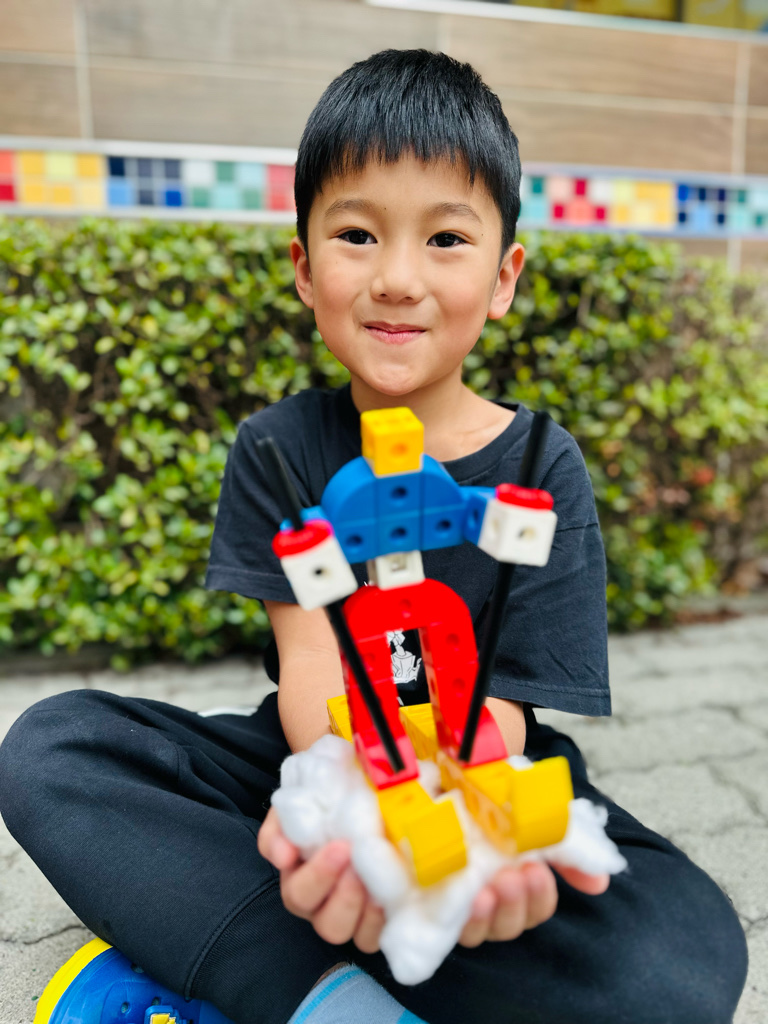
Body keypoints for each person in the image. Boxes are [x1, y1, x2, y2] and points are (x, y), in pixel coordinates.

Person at [0, 48, 748, 1024]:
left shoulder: (540, 469)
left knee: (687, 955)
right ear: (305, 268)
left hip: (482, 764)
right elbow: (312, 659)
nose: (398, 278)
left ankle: (241, 947)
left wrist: (443, 820)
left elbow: (509, 706)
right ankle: (333, 998)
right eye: (357, 234)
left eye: (446, 238)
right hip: (324, 751)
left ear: (504, 276)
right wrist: (359, 805)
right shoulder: (280, 452)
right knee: (54, 748)